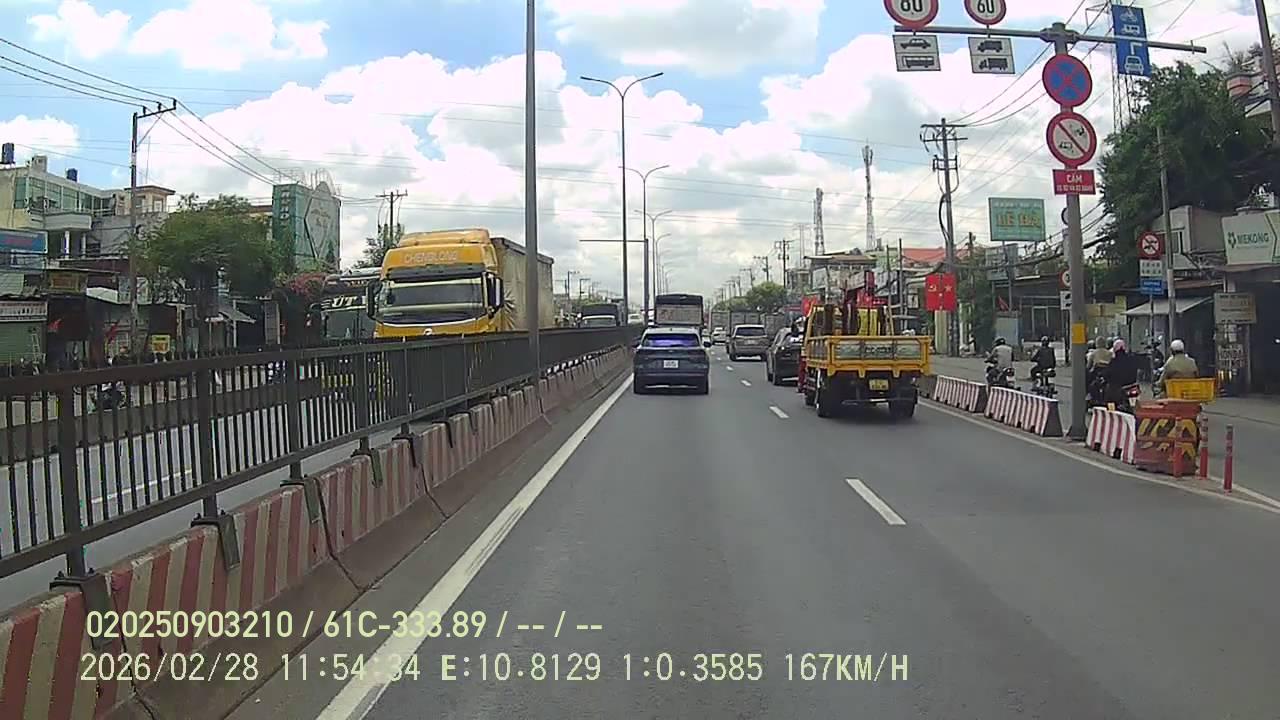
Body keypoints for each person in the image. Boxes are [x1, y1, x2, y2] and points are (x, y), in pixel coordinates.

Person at [1105, 338, 1140, 406]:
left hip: (1117, 388)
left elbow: (1108, 373)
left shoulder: (1114, 361)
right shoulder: (1131, 359)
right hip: (1131, 385)